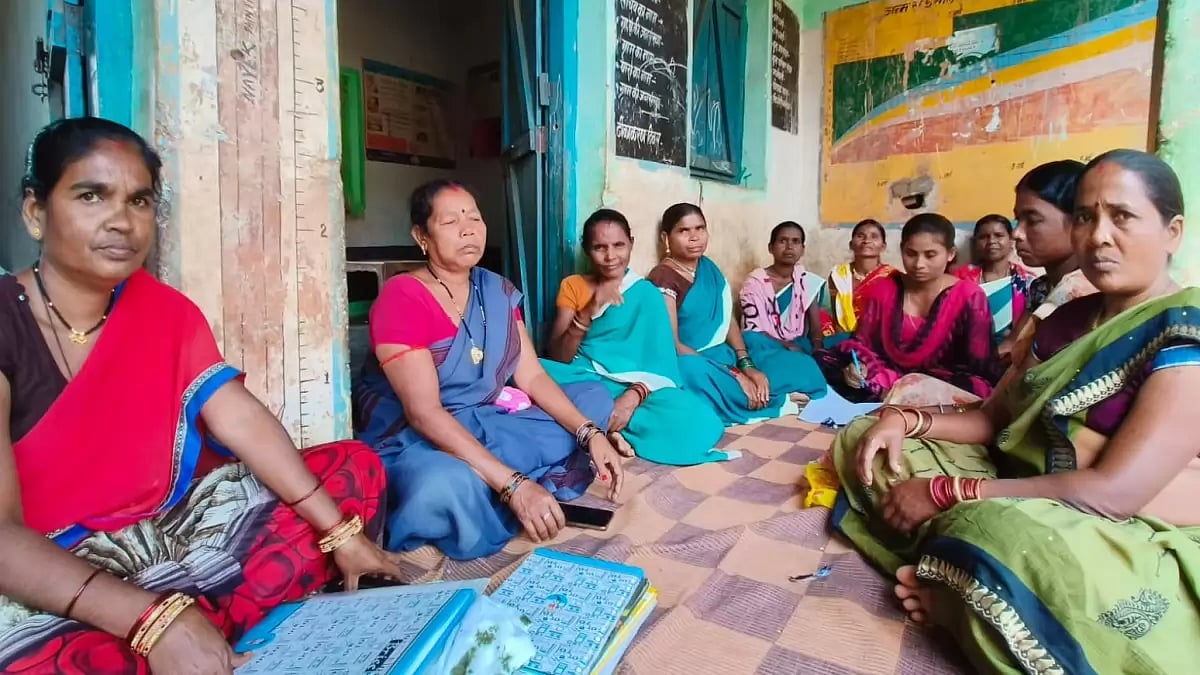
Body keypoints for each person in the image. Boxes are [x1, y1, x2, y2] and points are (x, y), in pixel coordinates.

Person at [0, 118, 404, 673]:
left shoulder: (163, 311)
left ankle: (199, 624)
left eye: (139, 201)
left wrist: (339, 533)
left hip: (172, 529)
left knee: (354, 468)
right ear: (35, 212)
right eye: (91, 195)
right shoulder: (4, 325)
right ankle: (203, 621)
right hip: (52, 561)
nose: (121, 221)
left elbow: (239, 419)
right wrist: (148, 619)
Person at [830, 150, 1200, 674]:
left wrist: (946, 492)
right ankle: (962, 571)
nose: (1098, 235)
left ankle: (963, 574)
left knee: (1010, 538)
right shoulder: (1065, 318)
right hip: (1023, 486)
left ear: (1172, 231)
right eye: (1085, 217)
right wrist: (902, 422)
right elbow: (991, 420)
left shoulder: (1184, 332)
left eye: (1122, 216)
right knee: (864, 437)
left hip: (1119, 525)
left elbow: (1114, 494)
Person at [352, 179, 624, 561]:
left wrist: (590, 433)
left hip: (490, 420)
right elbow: (423, 413)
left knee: (593, 397)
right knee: (439, 487)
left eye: (474, 218)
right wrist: (513, 484)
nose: (468, 229)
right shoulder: (402, 297)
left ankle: (499, 476)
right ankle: (507, 482)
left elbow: (532, 377)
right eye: (449, 222)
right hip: (423, 437)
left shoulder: (496, 289)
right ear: (421, 235)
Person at [543, 209, 732, 466]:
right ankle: (609, 431)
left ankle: (605, 427)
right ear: (587, 250)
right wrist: (587, 311)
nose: (610, 256)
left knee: (702, 421)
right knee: (536, 374)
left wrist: (633, 397)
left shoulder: (646, 294)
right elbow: (557, 357)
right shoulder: (574, 285)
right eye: (600, 247)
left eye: (619, 245)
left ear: (631, 242)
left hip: (638, 388)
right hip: (585, 377)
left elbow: (662, 364)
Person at [647, 204, 823, 425]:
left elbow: (726, 319)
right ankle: (765, 395)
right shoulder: (663, 277)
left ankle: (760, 389)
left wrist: (746, 364)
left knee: (789, 358)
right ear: (666, 238)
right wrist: (735, 374)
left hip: (724, 354)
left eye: (700, 229)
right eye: (684, 231)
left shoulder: (708, 268)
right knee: (691, 373)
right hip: (693, 359)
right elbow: (673, 345)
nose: (694, 237)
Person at [815, 213, 999, 402]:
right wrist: (859, 365)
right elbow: (862, 342)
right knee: (826, 360)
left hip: (941, 383)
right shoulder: (884, 288)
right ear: (902, 249)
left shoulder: (969, 296)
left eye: (930, 255)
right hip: (888, 376)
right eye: (911, 254)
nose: (919, 264)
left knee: (975, 389)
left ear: (950, 254)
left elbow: (980, 367)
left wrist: (918, 384)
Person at [1001, 160, 1098, 363]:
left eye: (1033, 220)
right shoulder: (1041, 287)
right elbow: (1010, 348)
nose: (1017, 234)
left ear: (1078, 221)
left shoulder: (1080, 291)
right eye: (1018, 220)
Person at [739, 221, 827, 353]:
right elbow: (753, 329)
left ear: (802, 250)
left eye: (795, 241)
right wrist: (784, 345)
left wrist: (818, 347)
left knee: (846, 341)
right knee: (751, 338)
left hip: (798, 344)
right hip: (766, 344)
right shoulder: (755, 282)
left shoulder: (806, 281)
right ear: (771, 248)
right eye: (783, 241)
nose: (789, 247)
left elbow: (815, 329)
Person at [954, 214, 1034, 344]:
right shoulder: (961, 278)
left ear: (1011, 240)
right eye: (983, 237)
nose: (991, 241)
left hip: (1014, 354)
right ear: (975, 243)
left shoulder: (1028, 282)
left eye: (998, 235)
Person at [821, 218, 897, 345]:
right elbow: (837, 317)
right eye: (860, 236)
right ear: (851, 244)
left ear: (883, 246)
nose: (867, 241)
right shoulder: (838, 275)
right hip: (844, 335)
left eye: (874, 237)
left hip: (878, 339)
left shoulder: (892, 276)